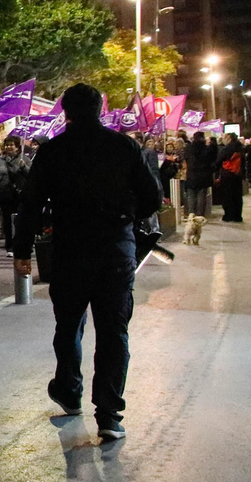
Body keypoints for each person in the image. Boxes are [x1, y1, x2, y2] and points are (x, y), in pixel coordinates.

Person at [13, 83, 161, 442]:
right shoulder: (124, 146)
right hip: (115, 249)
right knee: (114, 331)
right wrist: (126, 215)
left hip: (70, 249)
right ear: (100, 110)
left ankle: (69, 390)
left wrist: (22, 251)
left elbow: (30, 204)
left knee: (68, 325)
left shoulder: (53, 150)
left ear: (66, 112)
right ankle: (109, 414)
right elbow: (152, 197)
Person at [0, 137, 30, 251]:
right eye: (7, 145)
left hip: (19, 193)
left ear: (17, 147)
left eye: (11, 145)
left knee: (20, 219)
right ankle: (9, 244)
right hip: (4, 193)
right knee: (6, 219)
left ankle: (21, 242)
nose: (9, 147)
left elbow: (31, 175)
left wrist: (23, 167)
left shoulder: (24, 159)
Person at [217, 132, 245, 222]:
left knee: (227, 196)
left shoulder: (226, 149)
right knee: (237, 196)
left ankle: (228, 215)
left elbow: (219, 160)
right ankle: (237, 216)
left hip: (227, 174)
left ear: (229, 139)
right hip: (237, 174)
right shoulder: (241, 148)